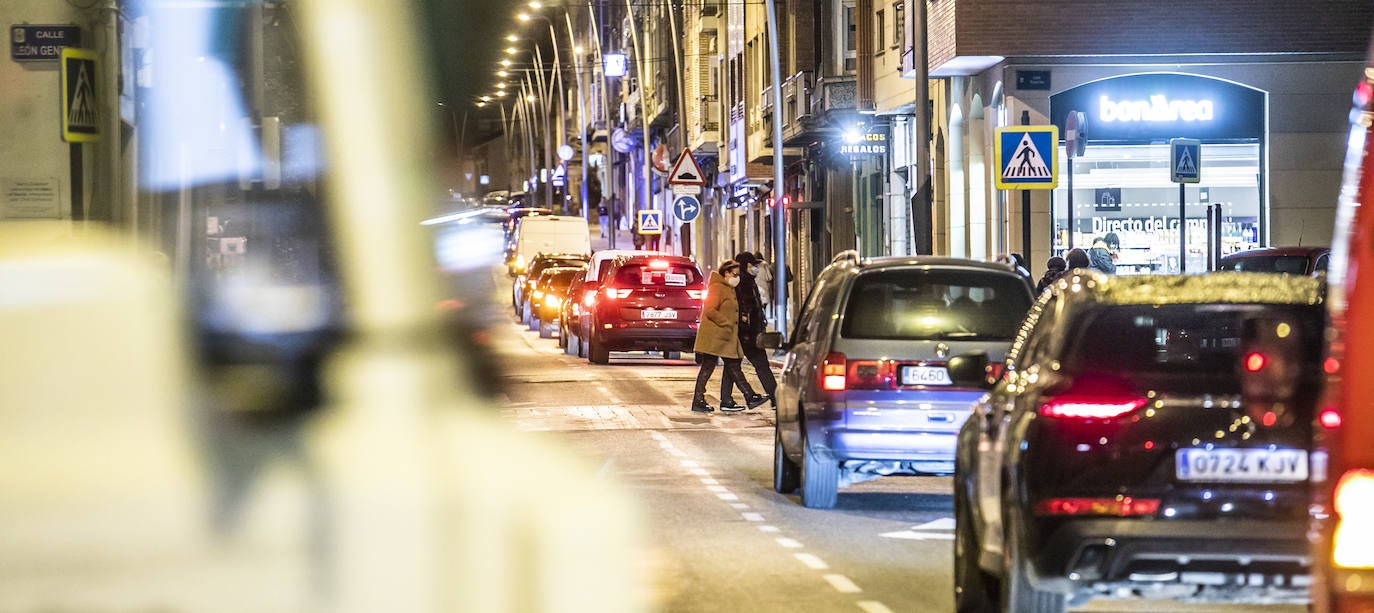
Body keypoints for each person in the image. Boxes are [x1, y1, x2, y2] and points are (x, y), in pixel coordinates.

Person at [690, 260, 762, 413]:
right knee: (712, 367)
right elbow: (710, 310)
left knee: (731, 365)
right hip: (715, 335)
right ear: (726, 273)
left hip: (724, 336)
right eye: (735, 274)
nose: (737, 277)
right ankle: (746, 396)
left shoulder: (728, 288)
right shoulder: (717, 287)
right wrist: (727, 322)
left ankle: (735, 399)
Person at [719, 252, 775, 410]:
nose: (756, 268)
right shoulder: (742, 282)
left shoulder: (746, 280)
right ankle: (775, 397)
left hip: (745, 332)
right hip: (746, 333)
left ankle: (726, 400)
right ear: (745, 265)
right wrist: (748, 328)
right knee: (760, 364)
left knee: (732, 366)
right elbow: (742, 308)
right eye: (753, 265)